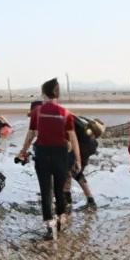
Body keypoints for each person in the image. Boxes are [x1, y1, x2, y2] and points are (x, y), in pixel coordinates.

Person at [17, 79, 82, 241]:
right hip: (61, 156)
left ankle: (49, 226)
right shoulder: (66, 113)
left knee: (46, 191)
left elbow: (31, 135)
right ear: (57, 94)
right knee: (59, 190)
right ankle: (61, 218)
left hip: (42, 155)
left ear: (44, 93)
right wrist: (78, 161)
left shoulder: (37, 111)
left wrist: (23, 151)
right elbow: (73, 140)